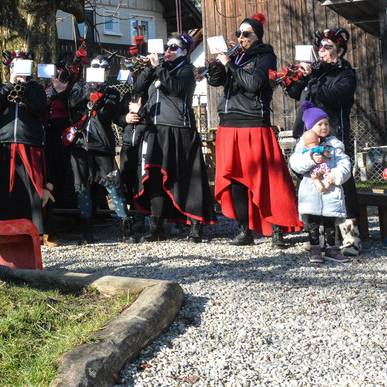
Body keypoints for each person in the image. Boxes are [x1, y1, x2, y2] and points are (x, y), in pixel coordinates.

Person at [205, 13, 300, 246]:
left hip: (253, 123)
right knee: (235, 179)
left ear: (257, 36)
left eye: (245, 33)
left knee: (268, 178)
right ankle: (244, 229)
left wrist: (229, 65)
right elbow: (216, 82)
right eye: (238, 33)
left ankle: (277, 230)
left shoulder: (265, 57)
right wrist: (216, 68)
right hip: (229, 124)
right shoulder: (235, 57)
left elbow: (254, 84)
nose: (240, 37)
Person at [127, 33, 216, 243]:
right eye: (167, 47)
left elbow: (176, 89)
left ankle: (195, 226)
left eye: (173, 48)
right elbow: (138, 88)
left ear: (184, 51)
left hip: (180, 130)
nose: (168, 51)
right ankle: (156, 227)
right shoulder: (160, 69)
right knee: (155, 177)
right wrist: (149, 68)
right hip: (156, 130)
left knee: (188, 178)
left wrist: (158, 68)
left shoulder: (187, 70)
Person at [285, 26, 360, 255]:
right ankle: (318, 239)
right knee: (310, 182)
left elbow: (335, 97)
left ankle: (351, 239)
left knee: (343, 184)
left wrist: (312, 79)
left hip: (333, 135)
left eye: (328, 47)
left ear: (340, 50)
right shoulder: (315, 71)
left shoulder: (345, 73)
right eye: (320, 46)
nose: (322, 50)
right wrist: (297, 77)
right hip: (308, 135)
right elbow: (294, 93)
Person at [0, 52, 49, 235]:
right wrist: (9, 85)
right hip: (4, 140)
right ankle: (2, 225)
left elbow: (40, 111)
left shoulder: (36, 88)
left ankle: (33, 228)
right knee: (3, 185)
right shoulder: (1, 87)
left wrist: (26, 90)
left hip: (28, 140)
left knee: (30, 186)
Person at [68, 54, 128, 243]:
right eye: (95, 66)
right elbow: (72, 103)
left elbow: (107, 115)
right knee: (82, 187)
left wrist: (100, 96)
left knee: (114, 185)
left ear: (108, 71)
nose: (99, 69)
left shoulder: (112, 92)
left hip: (102, 144)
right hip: (80, 144)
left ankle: (126, 229)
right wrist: (90, 89)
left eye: (104, 67)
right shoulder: (79, 87)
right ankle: (86, 232)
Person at [288, 103, 351, 264]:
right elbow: (295, 164)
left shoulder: (334, 146)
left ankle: (331, 248)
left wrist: (336, 175)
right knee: (313, 221)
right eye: (319, 124)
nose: (324, 127)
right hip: (311, 191)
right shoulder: (302, 146)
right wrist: (310, 159)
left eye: (326, 124)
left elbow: (344, 164)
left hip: (331, 190)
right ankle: (315, 247)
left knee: (330, 221)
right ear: (310, 127)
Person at [42, 62, 77, 246]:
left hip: (63, 132)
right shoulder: (42, 88)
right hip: (46, 133)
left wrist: (61, 91)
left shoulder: (70, 89)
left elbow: (72, 108)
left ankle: (67, 212)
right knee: (50, 172)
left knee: (64, 171)